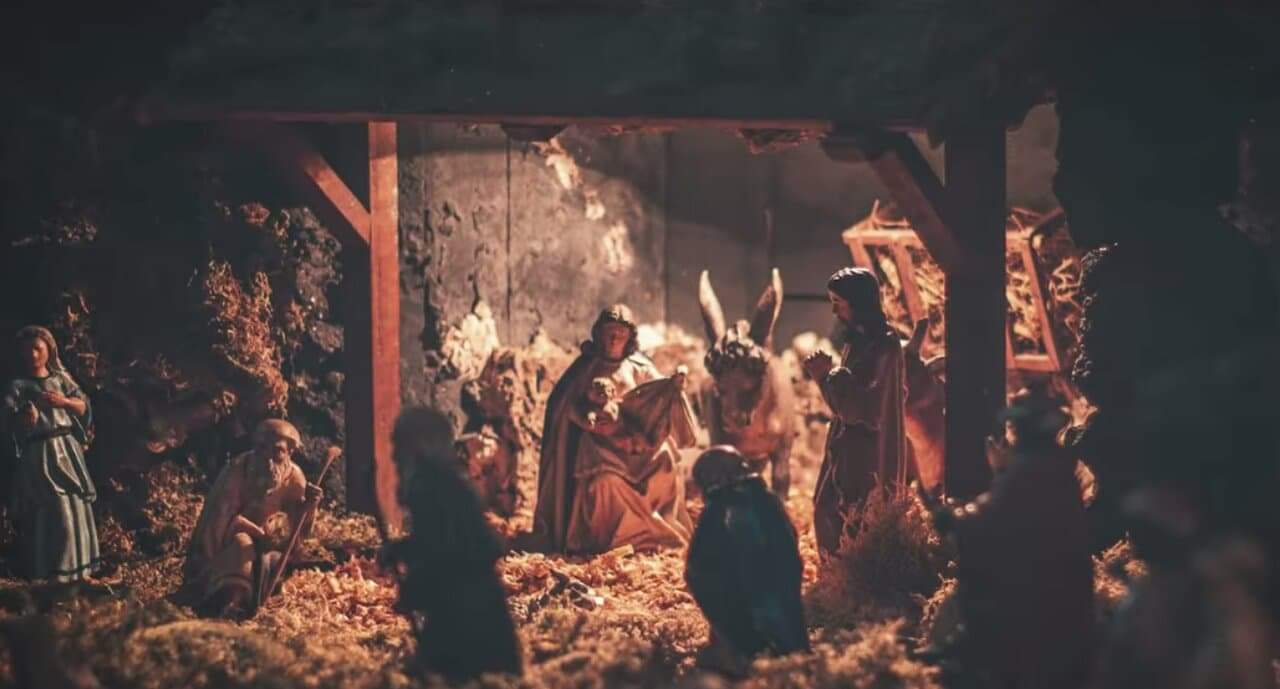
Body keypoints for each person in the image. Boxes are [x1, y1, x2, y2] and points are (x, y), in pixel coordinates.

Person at [533, 305, 695, 554]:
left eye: (620, 334)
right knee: (605, 482)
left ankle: (656, 535)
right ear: (599, 334)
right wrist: (585, 420)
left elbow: (658, 395)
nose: (613, 339)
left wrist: (675, 385)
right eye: (609, 332)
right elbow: (565, 405)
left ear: (630, 338)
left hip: (636, 445)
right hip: (600, 449)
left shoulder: (640, 366)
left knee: (666, 459)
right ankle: (608, 541)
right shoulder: (585, 368)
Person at [385, 406, 523, 681]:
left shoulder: (437, 488)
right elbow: (432, 539)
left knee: (464, 663)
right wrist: (402, 550)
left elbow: (444, 549)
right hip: (460, 598)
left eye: (400, 447)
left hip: (466, 600)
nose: (394, 456)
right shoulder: (437, 486)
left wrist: (414, 584)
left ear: (421, 447)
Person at [804, 268, 908, 560]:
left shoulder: (883, 346)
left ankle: (846, 574)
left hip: (867, 454)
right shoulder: (858, 341)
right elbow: (844, 405)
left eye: (838, 302)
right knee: (827, 509)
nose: (834, 311)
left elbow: (861, 409)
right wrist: (828, 379)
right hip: (847, 449)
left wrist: (826, 376)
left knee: (849, 516)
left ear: (858, 302)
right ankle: (835, 574)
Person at [685, 446, 809, 675]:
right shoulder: (769, 500)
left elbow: (698, 569)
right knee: (786, 627)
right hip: (782, 596)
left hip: (744, 614)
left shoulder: (719, 510)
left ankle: (746, 654)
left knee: (755, 634)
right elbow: (790, 543)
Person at [182, 419, 320, 618]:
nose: (268, 457)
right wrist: (253, 531)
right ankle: (232, 603)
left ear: (290, 452)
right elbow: (221, 516)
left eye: (277, 451)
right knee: (242, 546)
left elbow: (297, 523)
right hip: (232, 535)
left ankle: (257, 604)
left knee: (270, 561)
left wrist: (310, 505)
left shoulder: (294, 477)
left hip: (271, 541)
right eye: (262, 447)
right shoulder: (239, 469)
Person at [3, 326, 100, 582]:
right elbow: (8, 419)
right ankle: (51, 572)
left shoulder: (61, 380)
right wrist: (25, 417)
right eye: (27, 350)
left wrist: (64, 402)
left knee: (75, 506)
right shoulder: (18, 386)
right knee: (52, 509)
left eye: (37, 349)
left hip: (66, 449)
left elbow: (83, 407)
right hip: (40, 455)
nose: (32, 354)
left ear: (49, 350)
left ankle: (79, 571)